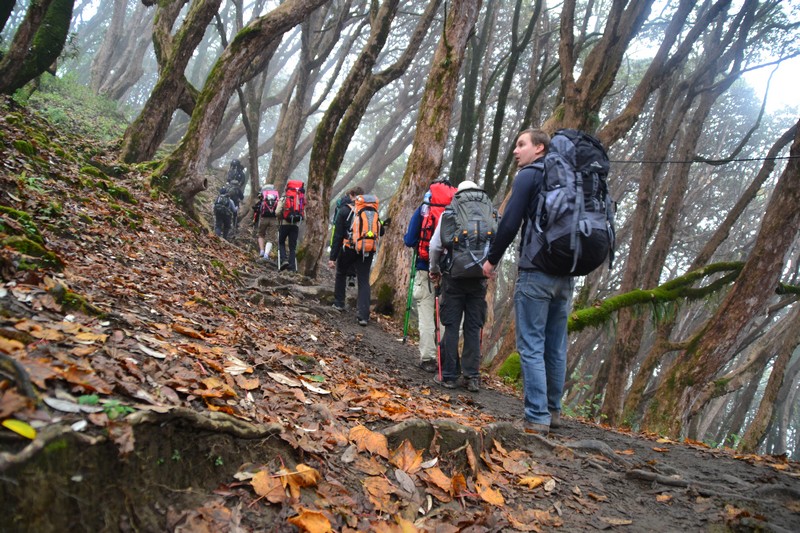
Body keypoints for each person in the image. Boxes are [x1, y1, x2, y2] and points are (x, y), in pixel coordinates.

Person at [481, 128, 563, 434]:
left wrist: (491, 260)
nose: (516, 151)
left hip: (536, 269)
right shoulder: (564, 177)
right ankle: (553, 412)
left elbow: (510, 223)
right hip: (565, 275)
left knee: (531, 344)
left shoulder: (529, 175)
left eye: (521, 145)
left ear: (539, 148)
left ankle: (536, 417)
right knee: (555, 346)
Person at [428, 180, 490, 393]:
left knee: (452, 325)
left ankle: (449, 376)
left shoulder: (450, 212)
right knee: (473, 326)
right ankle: (472, 377)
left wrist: (434, 268)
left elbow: (435, 245)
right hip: (479, 278)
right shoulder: (488, 213)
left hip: (453, 276)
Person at [404, 179, 456, 373]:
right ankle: (445, 357)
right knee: (446, 316)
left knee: (426, 314)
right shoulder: (456, 211)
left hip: (424, 268)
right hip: (450, 271)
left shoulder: (424, 210)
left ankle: (428, 359)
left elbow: (410, 240)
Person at [328, 187, 384, 327]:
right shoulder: (372, 211)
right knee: (364, 280)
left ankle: (339, 303)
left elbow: (338, 236)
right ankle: (363, 316)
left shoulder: (345, 210)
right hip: (367, 250)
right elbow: (381, 231)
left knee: (341, 272)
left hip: (349, 248)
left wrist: (332, 257)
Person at [275, 182, 303, 272]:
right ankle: (292, 267)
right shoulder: (299, 199)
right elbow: (303, 214)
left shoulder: (284, 198)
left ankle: (283, 260)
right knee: (292, 247)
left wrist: (281, 218)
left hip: (284, 224)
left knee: (281, 242)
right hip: (295, 226)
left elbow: (277, 211)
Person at [253, 184, 279, 262]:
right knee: (271, 238)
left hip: (263, 218)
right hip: (274, 219)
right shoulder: (276, 196)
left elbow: (258, 208)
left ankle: (261, 251)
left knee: (261, 234)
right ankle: (266, 254)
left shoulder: (263, 195)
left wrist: (255, 220)